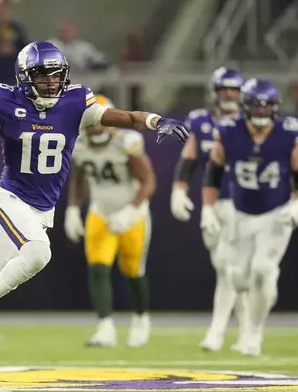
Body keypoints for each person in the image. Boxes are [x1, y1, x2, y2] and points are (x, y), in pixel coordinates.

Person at [0, 41, 188, 382]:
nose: (52, 84)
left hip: (39, 211)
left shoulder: (76, 102)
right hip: (8, 200)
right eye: (44, 77)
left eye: (57, 77)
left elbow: (128, 117)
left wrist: (156, 121)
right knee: (39, 253)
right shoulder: (4, 100)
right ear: (25, 77)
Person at [202, 78, 298, 357]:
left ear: (275, 108)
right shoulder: (229, 131)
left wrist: (295, 203)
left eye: (266, 107)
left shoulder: (287, 133)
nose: (260, 112)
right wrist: (208, 207)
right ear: (245, 107)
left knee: (262, 270)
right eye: (255, 107)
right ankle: (251, 320)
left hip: (276, 213)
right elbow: (213, 172)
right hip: (241, 213)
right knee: (238, 278)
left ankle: (254, 333)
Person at [65, 95, 155, 348]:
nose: (95, 127)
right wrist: (73, 208)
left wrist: (130, 212)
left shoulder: (126, 143)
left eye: (100, 120)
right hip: (100, 211)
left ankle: (140, 319)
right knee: (98, 268)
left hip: (132, 213)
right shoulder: (78, 145)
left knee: (134, 272)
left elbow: (148, 181)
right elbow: (79, 179)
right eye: (91, 122)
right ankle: (105, 328)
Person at [170, 67, 249, 352]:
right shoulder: (201, 121)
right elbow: (188, 160)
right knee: (228, 269)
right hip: (213, 205)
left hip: (245, 205)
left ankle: (217, 332)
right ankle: (248, 332)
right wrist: (179, 190)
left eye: (234, 89)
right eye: (225, 88)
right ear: (215, 91)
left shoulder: (252, 122)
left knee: (230, 268)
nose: (230, 94)